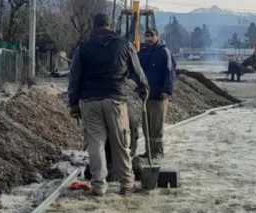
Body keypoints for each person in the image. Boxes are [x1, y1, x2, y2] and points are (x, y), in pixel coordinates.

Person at [68, 13, 149, 196]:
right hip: (115, 99)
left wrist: (73, 103)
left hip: (90, 101)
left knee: (95, 143)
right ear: (109, 25)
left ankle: (98, 186)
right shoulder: (124, 44)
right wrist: (144, 87)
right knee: (120, 142)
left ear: (94, 26)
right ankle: (126, 184)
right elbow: (137, 70)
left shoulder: (83, 48)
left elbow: (74, 78)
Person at [137, 29, 176, 161]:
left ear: (157, 37)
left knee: (156, 126)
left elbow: (169, 72)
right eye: (146, 36)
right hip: (146, 96)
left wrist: (167, 90)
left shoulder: (164, 52)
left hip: (159, 96)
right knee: (146, 126)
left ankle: (157, 152)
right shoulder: (143, 53)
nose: (148, 39)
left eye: (151, 36)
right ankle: (148, 151)